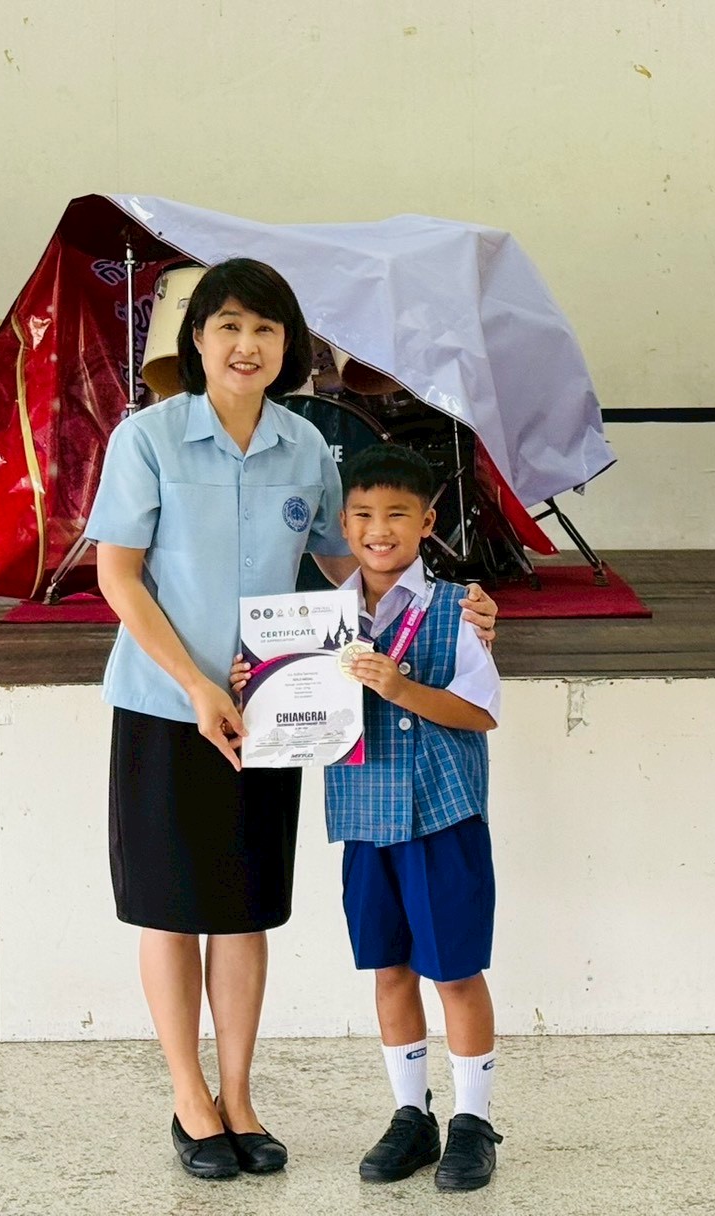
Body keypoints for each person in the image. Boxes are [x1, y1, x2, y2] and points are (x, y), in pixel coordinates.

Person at [85, 259, 498, 1182]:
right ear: (197, 339)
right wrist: (196, 686)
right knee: (169, 910)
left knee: (242, 910)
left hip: (270, 711)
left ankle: (238, 1097)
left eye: (265, 329)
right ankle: (190, 1100)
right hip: (165, 707)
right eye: (228, 326)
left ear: (287, 346)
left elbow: (356, 568)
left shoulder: (306, 446)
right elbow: (119, 576)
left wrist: (455, 604)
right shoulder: (147, 439)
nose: (247, 345)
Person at [237, 443, 504, 1191]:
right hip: (362, 815)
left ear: (427, 523)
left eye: (396, 515)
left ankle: (473, 1121)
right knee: (389, 968)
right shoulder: (313, 619)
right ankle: (411, 1114)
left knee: (455, 971)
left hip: (444, 815)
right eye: (361, 515)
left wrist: (400, 688)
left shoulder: (457, 607)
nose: (378, 530)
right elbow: (282, 708)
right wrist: (256, 683)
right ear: (343, 526)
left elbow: (482, 712)